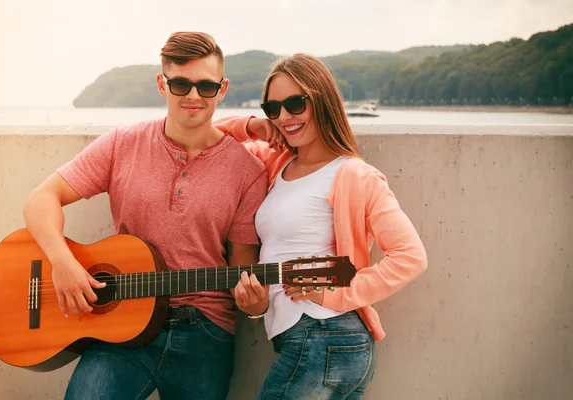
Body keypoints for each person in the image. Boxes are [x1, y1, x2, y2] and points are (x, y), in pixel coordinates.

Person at [23, 32, 267, 400]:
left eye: (206, 86)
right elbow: (41, 199)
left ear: (222, 88)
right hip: (119, 325)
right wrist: (63, 263)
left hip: (205, 333)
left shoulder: (249, 171)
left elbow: (243, 265)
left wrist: (257, 305)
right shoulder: (123, 143)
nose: (193, 96)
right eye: (181, 84)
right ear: (161, 84)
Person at [215, 53, 428, 399]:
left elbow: (410, 256)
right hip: (310, 343)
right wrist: (254, 126)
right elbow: (207, 137)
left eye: (296, 104)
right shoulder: (276, 162)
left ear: (322, 101)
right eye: (273, 108)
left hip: (326, 336)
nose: (284, 117)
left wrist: (338, 293)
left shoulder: (355, 176)